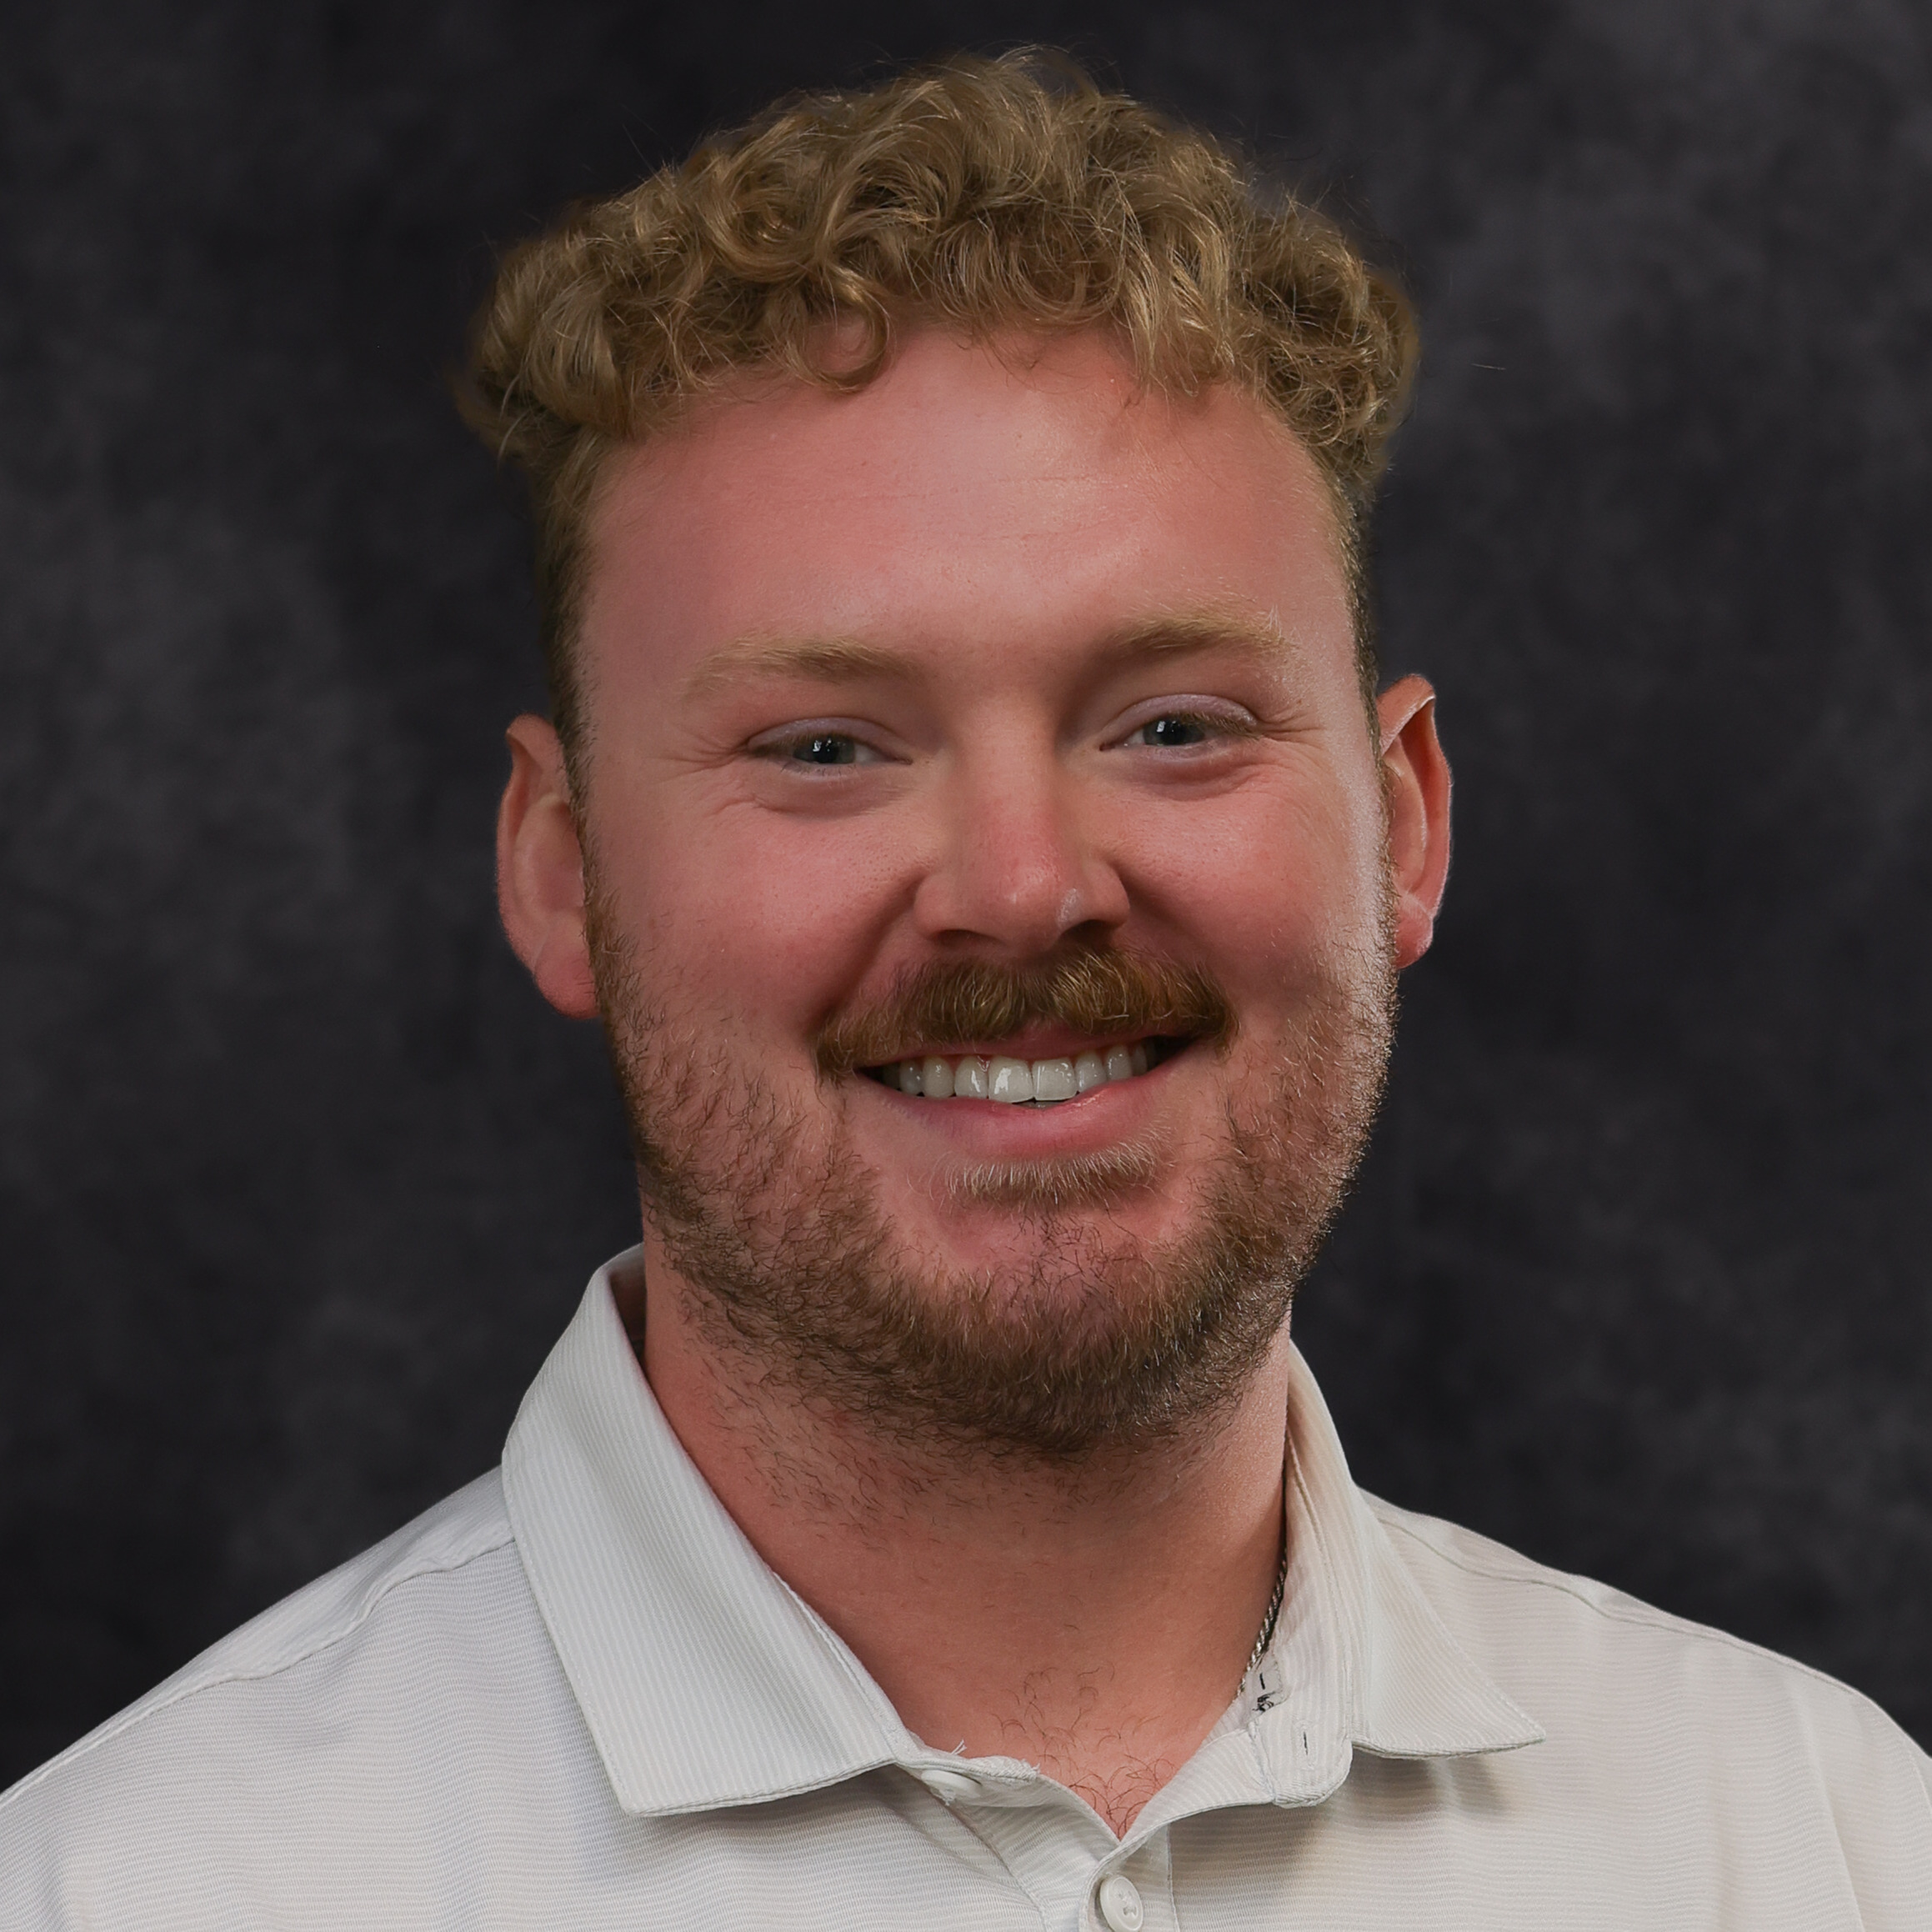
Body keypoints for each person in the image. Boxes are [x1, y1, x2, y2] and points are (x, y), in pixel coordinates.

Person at [3, 52, 1925, 1930]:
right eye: (827, 749)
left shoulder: (1823, 1846)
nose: (1021, 887)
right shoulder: (132, 1891)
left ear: (1403, 822)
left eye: (1174, 724)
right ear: (561, 872)